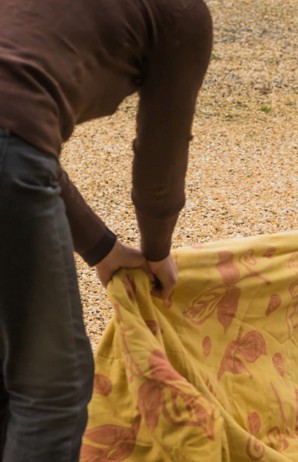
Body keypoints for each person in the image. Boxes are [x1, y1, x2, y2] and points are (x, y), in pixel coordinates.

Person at [0, 0, 213, 459]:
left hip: (12, 145)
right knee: (51, 388)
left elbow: (21, 137)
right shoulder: (181, 14)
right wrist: (157, 249)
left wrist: (102, 248)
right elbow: (160, 158)